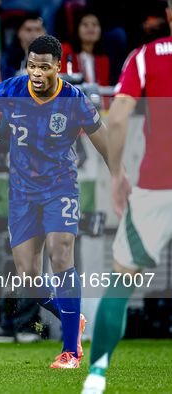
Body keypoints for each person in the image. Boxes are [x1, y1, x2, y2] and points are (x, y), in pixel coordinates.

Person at [0, 35, 113, 369]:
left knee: (61, 251)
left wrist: (122, 181)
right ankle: (72, 317)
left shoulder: (75, 100)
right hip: (22, 194)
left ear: (58, 67)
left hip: (60, 187)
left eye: (44, 66)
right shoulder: (11, 89)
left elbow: (105, 145)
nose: (37, 72)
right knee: (28, 274)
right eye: (32, 65)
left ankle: (71, 349)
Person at [81, 1, 172, 392]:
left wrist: (117, 173)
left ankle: (97, 377)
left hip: (156, 185)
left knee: (122, 282)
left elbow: (116, 118)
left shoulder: (145, 56)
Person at [62, 12, 110, 86]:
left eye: (94, 24)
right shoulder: (64, 51)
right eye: (85, 24)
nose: (90, 28)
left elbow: (104, 91)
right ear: (77, 28)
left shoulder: (103, 60)